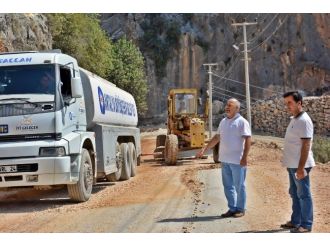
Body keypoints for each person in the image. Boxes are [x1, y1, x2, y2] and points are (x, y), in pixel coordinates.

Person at [196, 98, 251, 218]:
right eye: (226, 105)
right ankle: (232, 208)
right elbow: (217, 138)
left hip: (238, 161)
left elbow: (248, 140)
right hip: (225, 160)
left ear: (237, 108)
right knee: (228, 186)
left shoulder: (242, 122)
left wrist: (245, 157)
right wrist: (205, 149)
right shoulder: (223, 122)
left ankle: (240, 209)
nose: (226, 107)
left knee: (239, 186)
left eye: (230, 105)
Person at [280, 91, 315, 233]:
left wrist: (301, 168)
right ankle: (296, 221)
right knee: (294, 194)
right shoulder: (295, 118)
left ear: (299, 103)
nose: (287, 105)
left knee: (304, 195)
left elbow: (306, 145)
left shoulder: (304, 120)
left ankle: (306, 225)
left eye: (290, 102)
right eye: (286, 103)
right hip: (292, 165)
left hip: (300, 165)